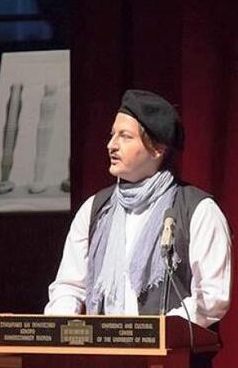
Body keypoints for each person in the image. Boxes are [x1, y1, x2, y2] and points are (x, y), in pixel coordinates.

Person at [45, 89, 231, 329]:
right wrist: (59, 329)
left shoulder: (198, 210)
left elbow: (212, 297)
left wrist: (158, 332)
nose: (111, 145)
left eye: (125, 136)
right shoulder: (95, 209)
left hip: (169, 351)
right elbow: (69, 286)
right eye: (112, 135)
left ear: (157, 148)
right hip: (103, 349)